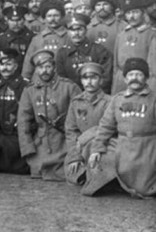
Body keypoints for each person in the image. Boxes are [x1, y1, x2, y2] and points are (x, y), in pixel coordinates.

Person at [89, 58, 156, 198]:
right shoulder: (117, 100)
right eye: (131, 75)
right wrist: (96, 149)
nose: (134, 78)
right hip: (124, 147)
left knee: (144, 189)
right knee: (101, 167)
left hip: (148, 148)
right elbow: (105, 127)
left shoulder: (153, 99)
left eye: (139, 74)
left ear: (146, 77)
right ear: (125, 79)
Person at [17, 49, 79, 181]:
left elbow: (80, 116)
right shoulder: (30, 90)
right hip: (41, 143)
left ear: (54, 67)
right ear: (35, 69)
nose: (44, 71)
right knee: (38, 169)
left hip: (64, 141)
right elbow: (23, 121)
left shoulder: (69, 87)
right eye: (40, 67)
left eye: (48, 66)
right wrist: (28, 149)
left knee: (70, 171)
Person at [64, 62, 113, 192]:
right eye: (85, 78)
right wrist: (75, 156)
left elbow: (107, 129)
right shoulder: (76, 102)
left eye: (93, 78)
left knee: (100, 172)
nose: (89, 82)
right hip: (80, 150)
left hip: (102, 148)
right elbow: (71, 131)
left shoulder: (109, 102)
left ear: (101, 80)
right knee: (73, 172)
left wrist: (84, 139)